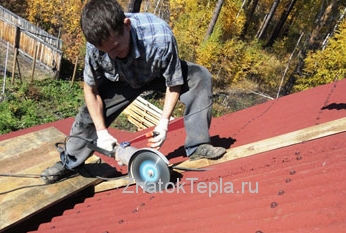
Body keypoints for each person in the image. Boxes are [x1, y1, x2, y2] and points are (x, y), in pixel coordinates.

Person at [41, 0, 226, 184]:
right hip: (121, 81)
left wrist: (163, 122)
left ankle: (198, 145)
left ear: (126, 26)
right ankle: (70, 163)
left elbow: (174, 81)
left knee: (200, 77)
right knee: (87, 116)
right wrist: (102, 132)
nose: (112, 55)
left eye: (115, 47)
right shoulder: (95, 48)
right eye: (105, 51)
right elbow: (91, 89)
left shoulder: (159, 36)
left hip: (156, 75)